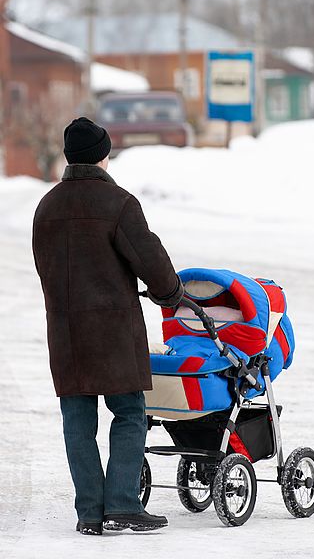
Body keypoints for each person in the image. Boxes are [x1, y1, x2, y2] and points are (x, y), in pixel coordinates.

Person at [32, 117, 183, 535]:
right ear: (103, 154)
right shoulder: (117, 203)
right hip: (113, 332)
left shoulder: (46, 207)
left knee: (77, 420)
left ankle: (90, 513)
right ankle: (123, 504)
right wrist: (171, 294)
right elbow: (149, 258)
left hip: (65, 334)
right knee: (130, 412)